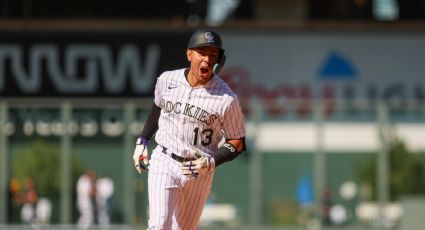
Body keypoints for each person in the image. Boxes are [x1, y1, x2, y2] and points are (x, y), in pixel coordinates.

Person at [132, 29, 246, 229]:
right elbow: (158, 107)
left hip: (199, 170)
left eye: (213, 55)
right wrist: (142, 141)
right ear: (189, 54)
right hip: (165, 159)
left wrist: (211, 161)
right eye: (202, 53)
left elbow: (237, 142)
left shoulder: (227, 99)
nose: (207, 60)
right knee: (159, 225)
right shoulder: (167, 80)